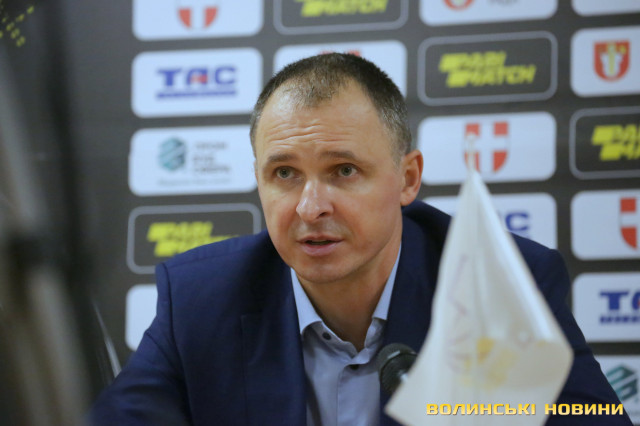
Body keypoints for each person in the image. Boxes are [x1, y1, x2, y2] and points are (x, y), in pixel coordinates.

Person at [91, 53, 631, 425]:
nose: (310, 206)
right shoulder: (201, 299)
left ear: (408, 179)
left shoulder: (499, 283)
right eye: (284, 174)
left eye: (344, 170)